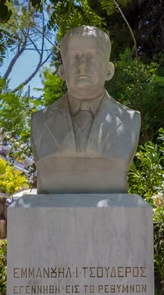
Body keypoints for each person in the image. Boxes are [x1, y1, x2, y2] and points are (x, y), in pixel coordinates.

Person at [31, 26, 141, 194]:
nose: (82, 66)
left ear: (109, 70)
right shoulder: (40, 121)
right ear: (62, 71)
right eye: (74, 57)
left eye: (92, 56)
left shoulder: (129, 120)